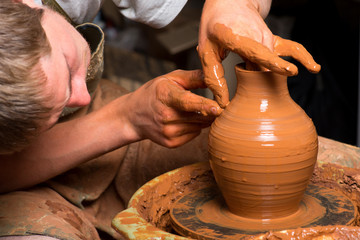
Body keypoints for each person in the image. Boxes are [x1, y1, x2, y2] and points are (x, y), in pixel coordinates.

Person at [0, 0, 320, 239]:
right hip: (17, 180)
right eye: (52, 109)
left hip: (106, 116)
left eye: (70, 69)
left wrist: (235, 8)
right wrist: (124, 120)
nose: (80, 95)